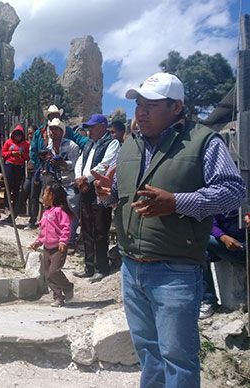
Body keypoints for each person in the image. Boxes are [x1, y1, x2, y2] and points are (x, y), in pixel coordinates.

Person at [93, 72, 245, 387]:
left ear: (176, 108)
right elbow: (121, 195)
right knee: (148, 353)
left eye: (150, 105)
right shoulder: (131, 144)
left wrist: (177, 202)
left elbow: (233, 191)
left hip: (175, 271)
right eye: (138, 104)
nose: (141, 112)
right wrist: (107, 193)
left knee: (178, 359)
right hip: (131, 268)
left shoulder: (203, 140)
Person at [73, 114, 120, 282]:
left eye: (92, 127)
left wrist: (86, 178)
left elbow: (105, 165)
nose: (90, 130)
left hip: (100, 190)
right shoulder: (89, 145)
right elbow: (80, 162)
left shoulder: (112, 143)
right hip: (85, 189)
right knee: (86, 228)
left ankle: (101, 267)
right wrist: (80, 179)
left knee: (100, 229)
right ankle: (89, 266)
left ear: (102, 126)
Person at [29, 184, 75, 306]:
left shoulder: (60, 211)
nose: (43, 196)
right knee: (48, 275)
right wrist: (38, 242)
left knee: (54, 271)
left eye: (45, 193)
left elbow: (66, 227)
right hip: (47, 248)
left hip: (58, 248)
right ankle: (58, 297)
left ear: (52, 196)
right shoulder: (46, 212)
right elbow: (43, 231)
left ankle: (68, 287)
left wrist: (63, 241)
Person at [199, 210, 248, 319]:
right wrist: (223, 237)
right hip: (232, 247)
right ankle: (208, 300)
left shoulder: (245, 198)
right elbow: (211, 224)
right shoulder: (220, 198)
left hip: (245, 246)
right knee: (200, 247)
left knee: (201, 241)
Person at [45, 118, 80, 244]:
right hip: (55, 182)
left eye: (56, 129)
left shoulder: (71, 145)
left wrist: (63, 163)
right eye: (51, 129)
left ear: (62, 131)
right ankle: (55, 237)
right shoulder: (48, 147)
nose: (53, 132)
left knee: (71, 209)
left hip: (69, 182)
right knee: (54, 209)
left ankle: (69, 239)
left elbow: (76, 164)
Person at [0, 124, 29, 224]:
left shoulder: (25, 144)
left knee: (17, 187)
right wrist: (11, 153)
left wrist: (21, 154)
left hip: (19, 167)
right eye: (16, 135)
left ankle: (14, 206)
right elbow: (3, 153)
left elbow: (27, 157)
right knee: (8, 185)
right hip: (9, 165)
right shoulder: (8, 142)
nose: (17, 137)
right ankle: (6, 204)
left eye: (19, 135)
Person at [18, 125, 36, 218]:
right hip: (28, 172)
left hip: (36, 172)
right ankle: (14, 215)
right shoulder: (27, 144)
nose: (29, 135)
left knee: (33, 196)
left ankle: (33, 219)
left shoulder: (38, 144)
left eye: (31, 133)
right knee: (23, 193)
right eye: (28, 133)